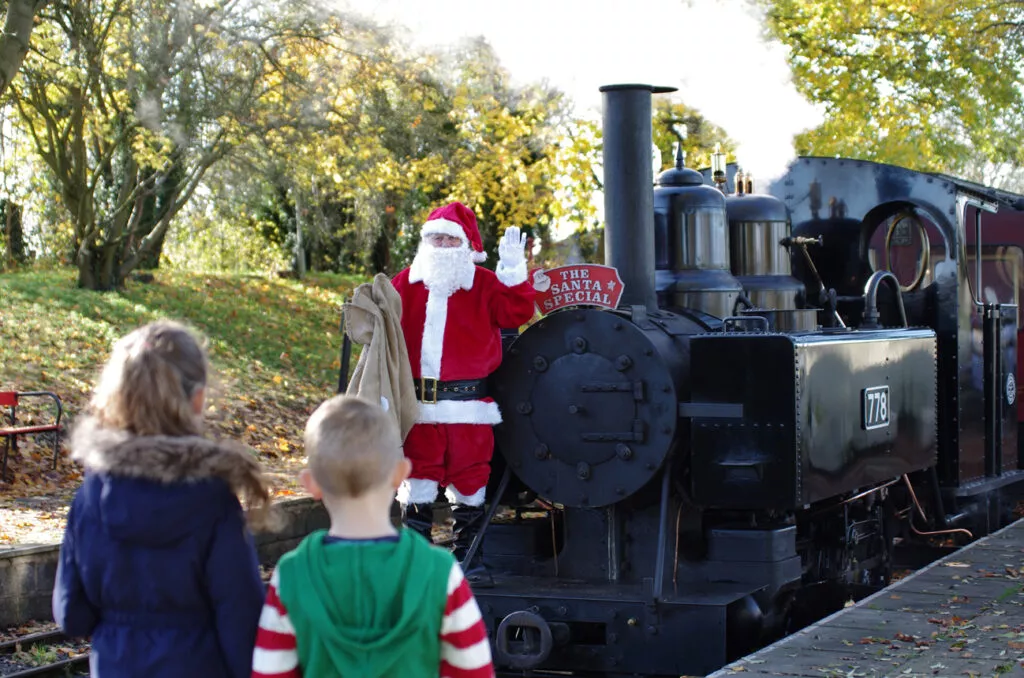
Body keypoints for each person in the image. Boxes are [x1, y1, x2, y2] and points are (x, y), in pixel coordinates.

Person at [53, 320, 273, 678]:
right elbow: (242, 621)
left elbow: (71, 614)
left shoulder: (91, 496)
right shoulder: (213, 500)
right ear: (198, 399)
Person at [250, 395, 494, 678]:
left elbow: (269, 672)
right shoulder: (441, 573)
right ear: (401, 474)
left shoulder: (291, 576)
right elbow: (475, 671)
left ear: (311, 484)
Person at [391, 201, 537, 586]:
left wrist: (512, 272)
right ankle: (414, 561)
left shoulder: (486, 284)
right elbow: (380, 328)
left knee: (470, 484)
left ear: (466, 246)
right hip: (419, 409)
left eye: (449, 239)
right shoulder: (405, 282)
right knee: (417, 481)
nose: (440, 244)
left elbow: (517, 313)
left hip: (468, 408)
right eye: (434, 237)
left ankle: (469, 560)